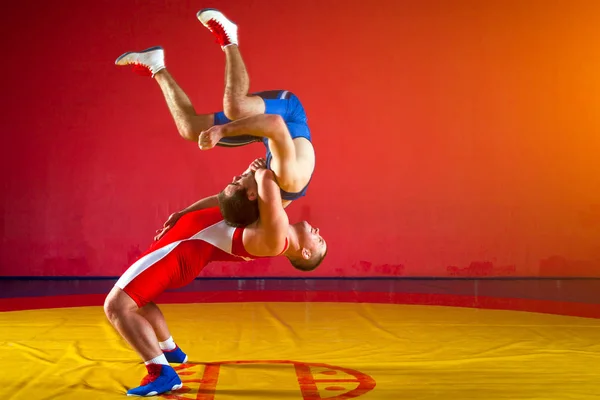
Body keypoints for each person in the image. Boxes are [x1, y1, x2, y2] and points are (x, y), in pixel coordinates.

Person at [104, 167, 327, 397]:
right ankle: (171, 352)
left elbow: (267, 178)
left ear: (305, 254)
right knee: (138, 300)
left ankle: (161, 373)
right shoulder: (273, 218)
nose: (318, 230)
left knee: (117, 306)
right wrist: (182, 213)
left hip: (178, 252)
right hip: (178, 247)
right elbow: (224, 200)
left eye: (319, 240)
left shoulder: (275, 236)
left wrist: (261, 167)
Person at [115, 9, 316, 226]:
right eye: (238, 182)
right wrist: (222, 131)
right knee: (235, 108)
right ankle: (229, 38)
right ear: (251, 195)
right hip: (287, 115)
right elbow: (275, 124)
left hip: (268, 133)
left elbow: (221, 201)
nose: (235, 177)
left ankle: (155, 65)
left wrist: (183, 213)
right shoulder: (286, 179)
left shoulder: (259, 196)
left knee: (190, 129)